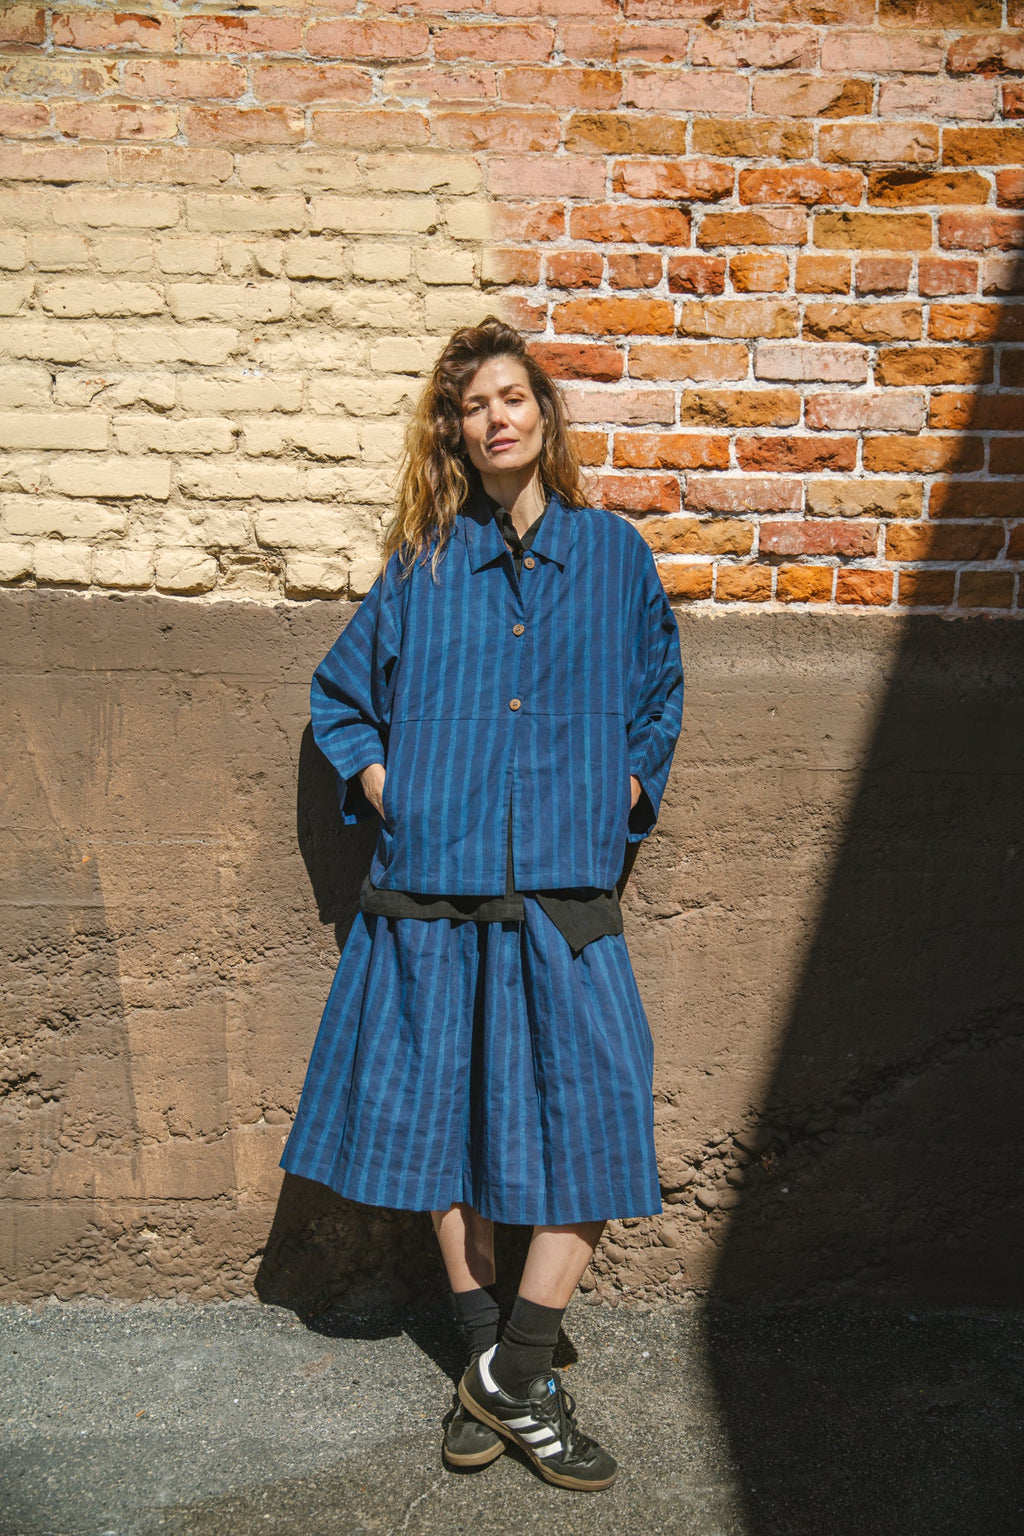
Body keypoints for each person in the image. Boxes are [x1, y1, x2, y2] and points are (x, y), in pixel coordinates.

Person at [281, 316, 684, 1492]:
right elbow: (341, 694)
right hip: (430, 889)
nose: (496, 417)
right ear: (454, 432)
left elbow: (659, 692)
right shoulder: (420, 563)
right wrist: (383, 783)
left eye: (514, 397)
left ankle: (509, 1374)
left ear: (545, 417)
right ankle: (486, 1350)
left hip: (562, 892)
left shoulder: (613, 556)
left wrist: (623, 787)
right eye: (473, 406)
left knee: (601, 1120)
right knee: (448, 1126)